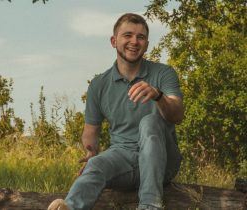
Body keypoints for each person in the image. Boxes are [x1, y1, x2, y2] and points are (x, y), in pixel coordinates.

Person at [48, 13, 184, 210]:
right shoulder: (99, 84)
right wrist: (91, 152)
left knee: (149, 121)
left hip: (162, 161)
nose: (134, 42)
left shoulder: (163, 73)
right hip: (123, 159)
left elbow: (178, 115)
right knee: (96, 165)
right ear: (114, 41)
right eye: (127, 35)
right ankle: (71, 207)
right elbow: (91, 133)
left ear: (146, 45)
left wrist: (158, 96)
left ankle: (150, 205)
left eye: (141, 37)